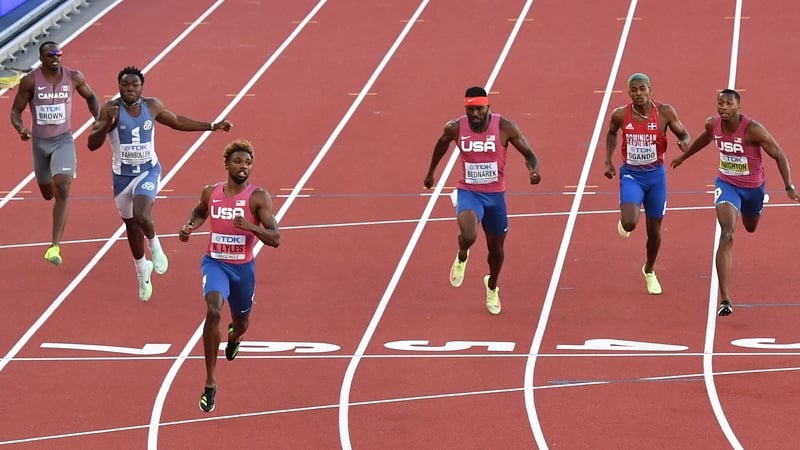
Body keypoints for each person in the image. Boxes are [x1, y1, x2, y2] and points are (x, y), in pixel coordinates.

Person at [87, 66, 232, 301]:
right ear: (119, 87)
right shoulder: (110, 109)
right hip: (122, 177)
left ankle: (155, 247)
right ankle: (142, 271)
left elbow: (176, 121)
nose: (130, 90)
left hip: (148, 171)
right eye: (125, 85)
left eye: (134, 85)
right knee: (132, 227)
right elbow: (91, 144)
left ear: (141, 87)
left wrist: (212, 126)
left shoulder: (151, 106)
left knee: (142, 214)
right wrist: (106, 124)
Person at [671, 89, 799, 316]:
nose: (723, 107)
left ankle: (758, 205)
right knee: (727, 233)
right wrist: (684, 156)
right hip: (727, 184)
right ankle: (726, 299)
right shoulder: (713, 124)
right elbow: (705, 138)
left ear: (738, 107)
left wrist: (788, 186)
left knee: (750, 227)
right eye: (720, 103)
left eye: (728, 104)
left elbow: (778, 153)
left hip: (753, 188)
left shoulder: (753, 130)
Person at [178, 138, 281, 413]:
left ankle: (234, 337)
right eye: (237, 161)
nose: (243, 167)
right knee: (213, 310)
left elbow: (276, 238)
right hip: (215, 263)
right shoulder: (211, 192)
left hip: (242, 270)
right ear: (226, 164)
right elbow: (199, 213)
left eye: (248, 163)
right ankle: (210, 382)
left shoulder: (259, 197)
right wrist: (188, 227)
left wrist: (250, 226)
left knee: (241, 322)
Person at [424, 86, 541, 315]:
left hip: (495, 196)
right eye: (470, 110)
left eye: (478, 109)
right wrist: (431, 173)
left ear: (488, 107)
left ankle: (492, 285)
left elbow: (530, 154)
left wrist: (533, 171)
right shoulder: (455, 128)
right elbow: (441, 145)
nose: (474, 115)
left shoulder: (505, 127)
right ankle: (462, 255)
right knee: (468, 235)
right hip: (469, 191)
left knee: (495, 249)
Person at [10, 41, 100, 265]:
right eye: (50, 54)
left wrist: (98, 120)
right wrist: (21, 128)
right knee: (47, 192)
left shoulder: (74, 77)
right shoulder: (30, 80)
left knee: (63, 186)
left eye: (58, 53)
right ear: (42, 58)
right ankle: (50, 188)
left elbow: (91, 97)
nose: (56, 57)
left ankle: (54, 246)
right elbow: (15, 110)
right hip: (40, 143)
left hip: (63, 140)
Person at [604, 72, 691, 295]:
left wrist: (684, 142)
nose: (639, 93)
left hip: (656, 178)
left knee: (654, 231)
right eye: (634, 90)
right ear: (629, 93)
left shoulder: (664, 112)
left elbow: (684, 133)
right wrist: (608, 161)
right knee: (631, 223)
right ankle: (625, 221)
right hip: (632, 175)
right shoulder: (620, 114)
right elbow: (612, 133)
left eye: (643, 89)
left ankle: (649, 270)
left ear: (650, 90)